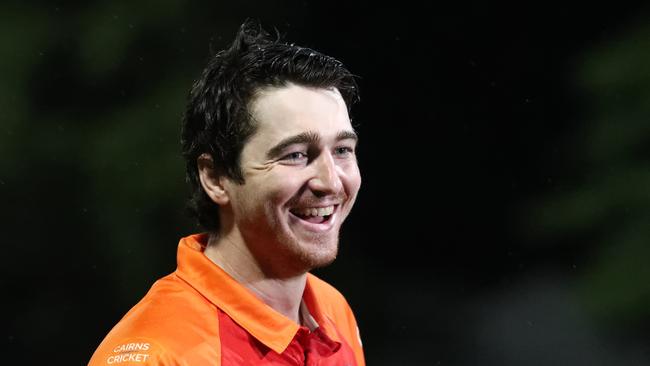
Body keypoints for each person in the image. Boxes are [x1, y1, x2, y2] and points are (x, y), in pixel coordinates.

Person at [89, 19, 365, 366]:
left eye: (342, 150)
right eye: (295, 155)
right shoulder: (159, 353)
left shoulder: (333, 312)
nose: (332, 181)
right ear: (216, 177)